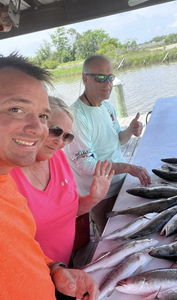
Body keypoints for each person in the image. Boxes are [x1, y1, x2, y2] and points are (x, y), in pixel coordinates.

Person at [0, 52, 100, 300]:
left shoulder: (5, 185)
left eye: (43, 116)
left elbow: (22, 246)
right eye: (16, 108)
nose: (37, 129)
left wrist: (53, 268)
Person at [11, 96, 114, 268]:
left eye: (67, 136)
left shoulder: (58, 157)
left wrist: (94, 198)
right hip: (34, 273)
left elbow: (71, 209)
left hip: (65, 264)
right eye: (55, 131)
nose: (60, 142)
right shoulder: (8, 175)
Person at [64, 54, 151, 235]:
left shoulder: (107, 107)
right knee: (112, 240)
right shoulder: (77, 117)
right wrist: (127, 167)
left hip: (122, 183)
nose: (108, 83)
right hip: (100, 194)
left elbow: (118, 141)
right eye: (101, 78)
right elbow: (86, 165)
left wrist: (130, 131)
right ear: (85, 79)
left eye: (110, 77)